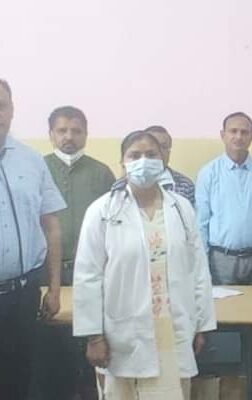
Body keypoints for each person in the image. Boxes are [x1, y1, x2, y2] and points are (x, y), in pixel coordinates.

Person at [73, 130, 216, 400]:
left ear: (163, 159)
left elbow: (198, 269)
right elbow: (87, 276)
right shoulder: (102, 211)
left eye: (151, 154)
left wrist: (201, 325)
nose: (143, 161)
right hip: (122, 334)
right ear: (122, 162)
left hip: (172, 331)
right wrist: (93, 336)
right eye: (135, 155)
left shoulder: (181, 209)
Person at [195, 111, 252, 399]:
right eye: (233, 131)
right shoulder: (208, 173)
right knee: (224, 328)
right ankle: (229, 390)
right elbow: (200, 225)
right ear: (222, 135)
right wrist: (201, 269)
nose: (238, 136)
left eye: (244, 131)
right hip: (220, 262)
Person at [32, 106, 114, 400]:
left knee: (90, 344)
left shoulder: (101, 173)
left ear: (86, 134)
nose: (69, 137)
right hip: (46, 272)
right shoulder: (37, 169)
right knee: (50, 345)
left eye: (76, 131)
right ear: (51, 134)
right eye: (62, 130)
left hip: (92, 273)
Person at [0, 79, 67, 399]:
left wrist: (54, 289)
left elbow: (51, 226)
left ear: (12, 110)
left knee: (18, 379)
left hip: (22, 295)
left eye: (1, 106)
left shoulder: (32, 160)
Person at [145, 125, 195, 205]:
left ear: (169, 152)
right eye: (153, 146)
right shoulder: (127, 184)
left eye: (164, 147)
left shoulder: (185, 185)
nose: (159, 151)